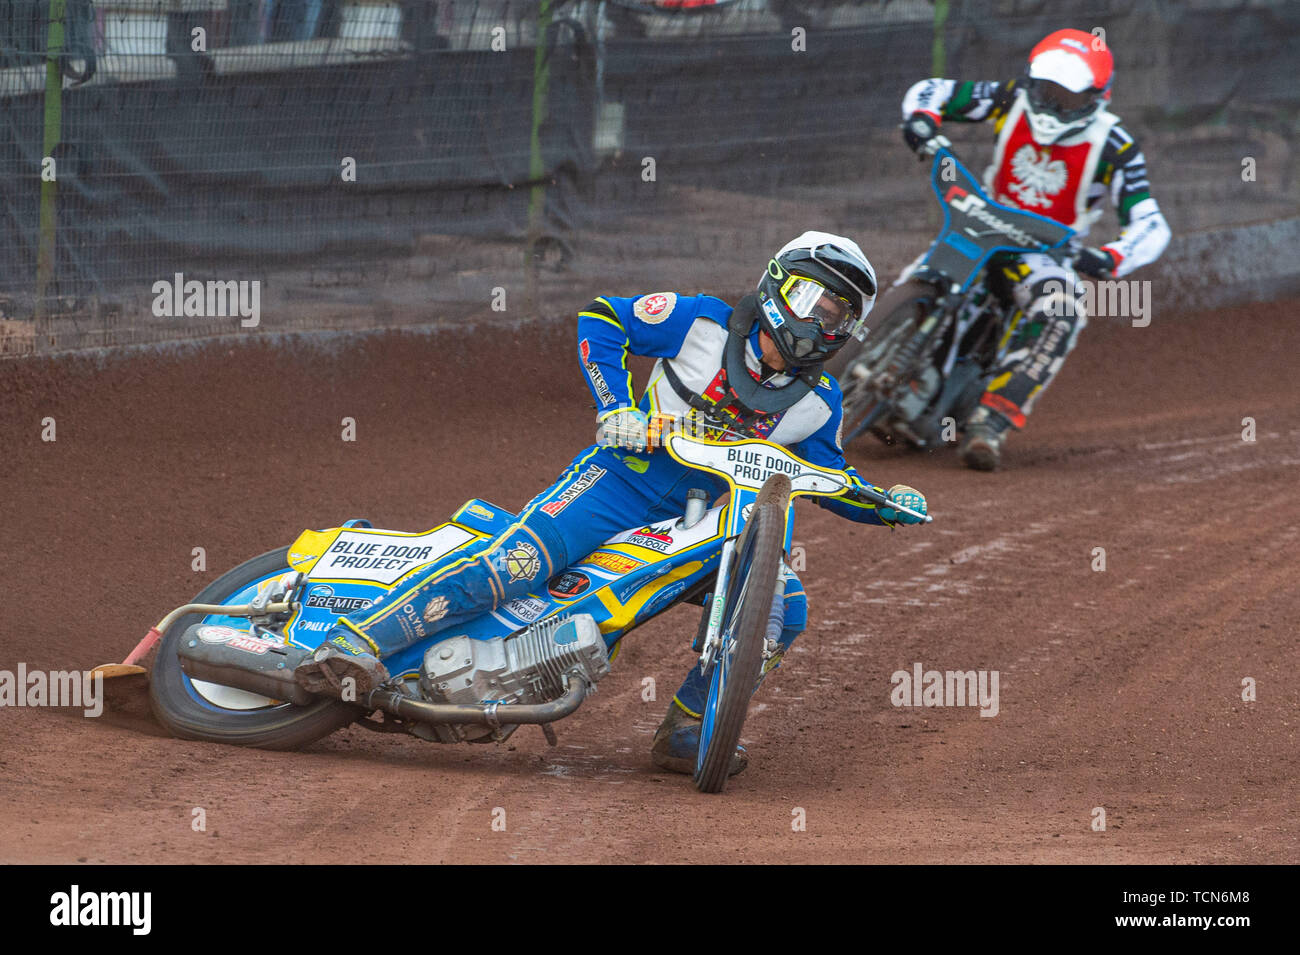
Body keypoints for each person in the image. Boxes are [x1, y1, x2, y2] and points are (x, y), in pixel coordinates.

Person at [294, 231, 929, 775]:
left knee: (783, 609)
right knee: (515, 565)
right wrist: (616, 406)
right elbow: (603, 318)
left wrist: (884, 504)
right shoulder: (702, 321)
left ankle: (688, 732)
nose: (823, 323)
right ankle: (358, 645)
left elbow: (831, 475)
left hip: (712, 525)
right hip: (622, 479)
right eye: (814, 302)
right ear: (777, 287)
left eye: (841, 316)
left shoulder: (820, 403)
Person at [899, 28, 1171, 470]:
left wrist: (1109, 257)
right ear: (1031, 81)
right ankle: (859, 361)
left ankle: (990, 421)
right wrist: (922, 119)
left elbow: (1151, 224)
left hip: (1045, 250)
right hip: (981, 223)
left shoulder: (1115, 145)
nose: (1052, 104)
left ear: (1097, 95)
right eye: (1046, 90)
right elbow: (936, 91)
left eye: (1066, 97)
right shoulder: (1011, 99)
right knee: (910, 280)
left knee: (1062, 312)